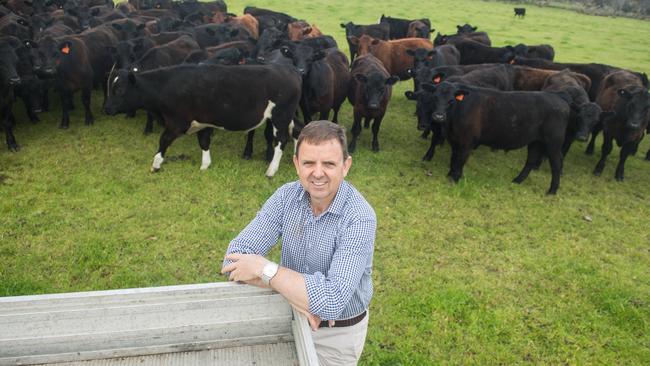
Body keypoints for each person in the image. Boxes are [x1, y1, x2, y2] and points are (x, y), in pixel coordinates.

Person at [221, 120, 376, 365]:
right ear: (295, 164)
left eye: (328, 164)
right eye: (308, 163)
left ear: (346, 166)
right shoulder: (286, 196)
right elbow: (233, 259)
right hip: (288, 314)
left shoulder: (359, 217)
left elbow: (333, 301)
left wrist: (265, 269)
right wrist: (296, 297)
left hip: (337, 335)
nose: (317, 173)